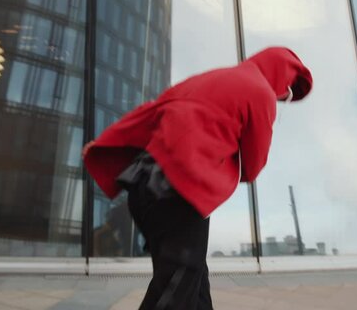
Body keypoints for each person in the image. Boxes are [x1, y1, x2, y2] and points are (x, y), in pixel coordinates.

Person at [82, 47, 313, 309]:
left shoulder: (210, 78)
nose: (284, 97)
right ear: (282, 73)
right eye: (289, 90)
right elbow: (253, 164)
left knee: (192, 275)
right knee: (179, 282)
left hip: (143, 183)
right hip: (180, 188)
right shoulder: (260, 92)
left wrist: (104, 142)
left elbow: (151, 110)